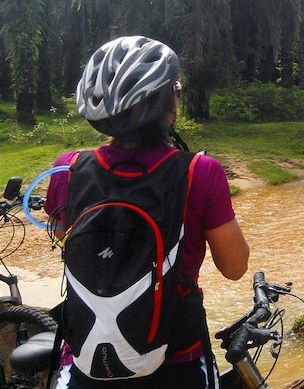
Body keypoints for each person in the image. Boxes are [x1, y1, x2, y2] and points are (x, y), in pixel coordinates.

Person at [45, 36, 250, 388]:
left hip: (87, 359)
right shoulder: (199, 171)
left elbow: (66, 237)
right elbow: (234, 268)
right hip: (179, 360)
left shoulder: (68, 168)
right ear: (169, 103)